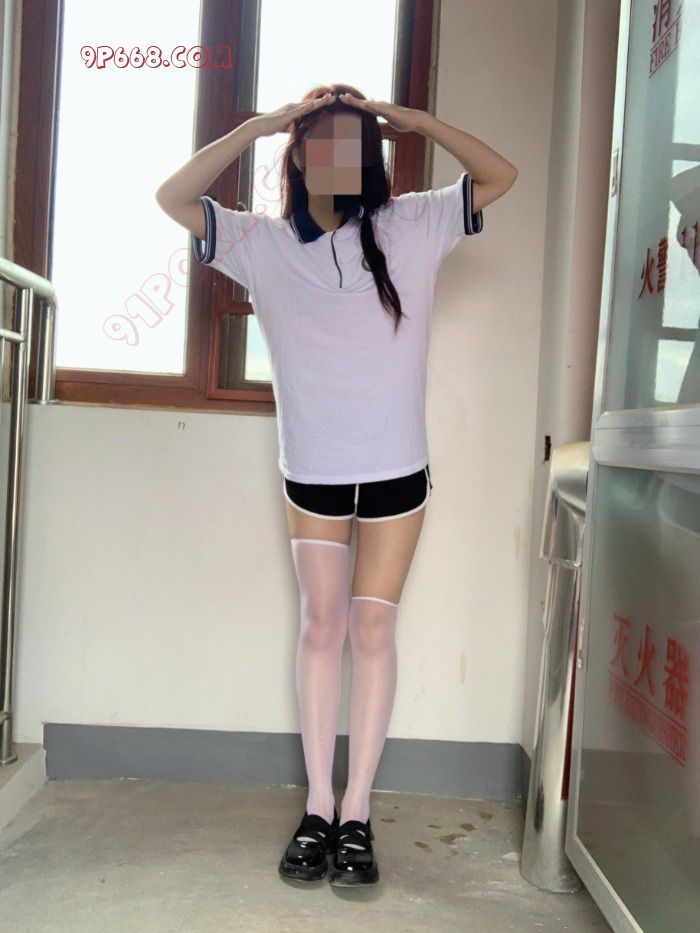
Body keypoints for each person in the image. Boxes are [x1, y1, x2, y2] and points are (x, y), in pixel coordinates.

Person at [156, 82, 517, 887]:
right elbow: (172, 197)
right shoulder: (257, 241)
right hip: (313, 473)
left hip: (396, 474)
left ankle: (357, 812)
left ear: (371, 157)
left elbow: (502, 175)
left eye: (355, 142)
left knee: (372, 630)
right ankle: (318, 806)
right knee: (322, 627)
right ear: (297, 156)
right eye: (320, 140)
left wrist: (418, 122)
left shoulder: (414, 223)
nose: (337, 155)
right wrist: (257, 125)